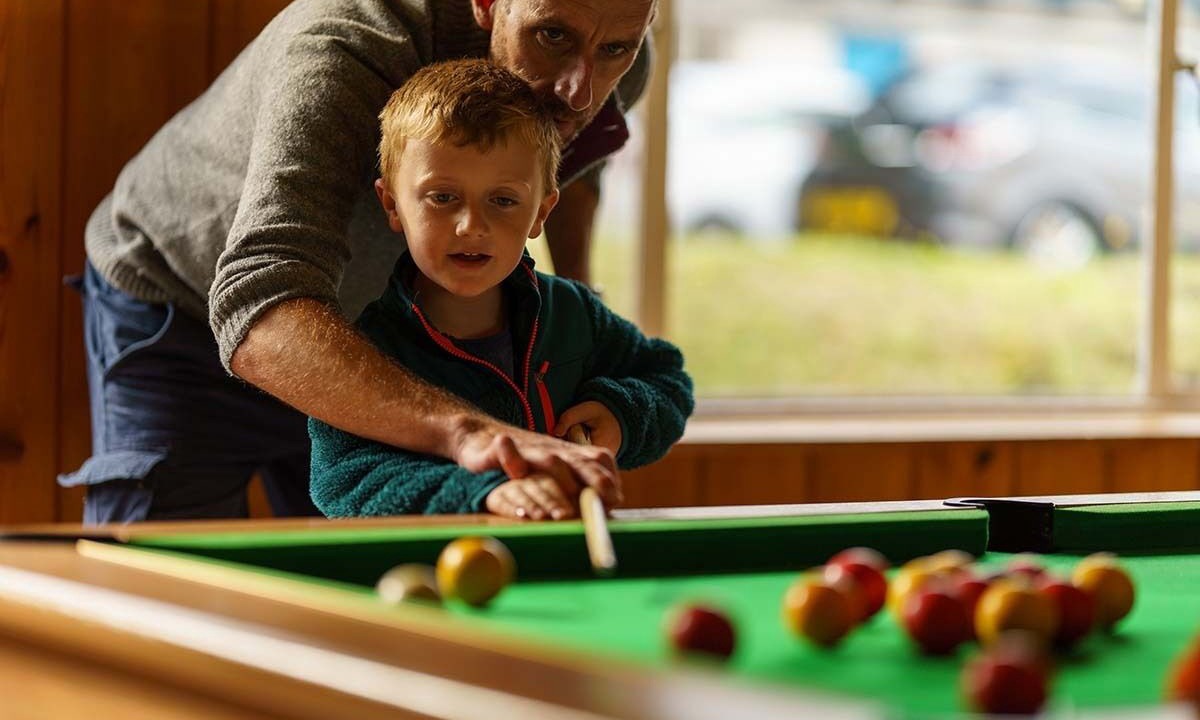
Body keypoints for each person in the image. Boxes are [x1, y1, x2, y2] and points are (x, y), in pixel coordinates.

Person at [61, 0, 658, 523]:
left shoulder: (612, 52)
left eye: (615, 49)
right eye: (551, 36)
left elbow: (568, 169)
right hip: (186, 308)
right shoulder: (346, 45)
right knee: (165, 585)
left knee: (366, 584)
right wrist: (470, 432)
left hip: (367, 335)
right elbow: (259, 304)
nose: (579, 90)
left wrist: (577, 311)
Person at [309, 59, 692, 519]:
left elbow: (668, 380)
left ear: (540, 213)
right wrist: (482, 492)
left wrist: (621, 416)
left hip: (561, 559)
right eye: (443, 197)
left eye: (503, 200)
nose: (472, 225)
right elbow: (344, 481)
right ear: (392, 204)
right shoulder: (366, 351)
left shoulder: (572, 314)